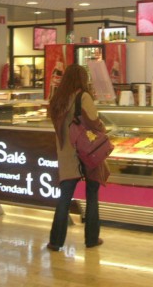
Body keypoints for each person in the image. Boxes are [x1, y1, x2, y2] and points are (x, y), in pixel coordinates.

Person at [47, 64, 109, 251]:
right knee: (92, 194)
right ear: (82, 79)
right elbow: (94, 121)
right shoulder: (83, 96)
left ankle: (55, 242)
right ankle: (91, 238)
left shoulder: (57, 98)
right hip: (86, 151)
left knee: (64, 198)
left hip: (66, 152)